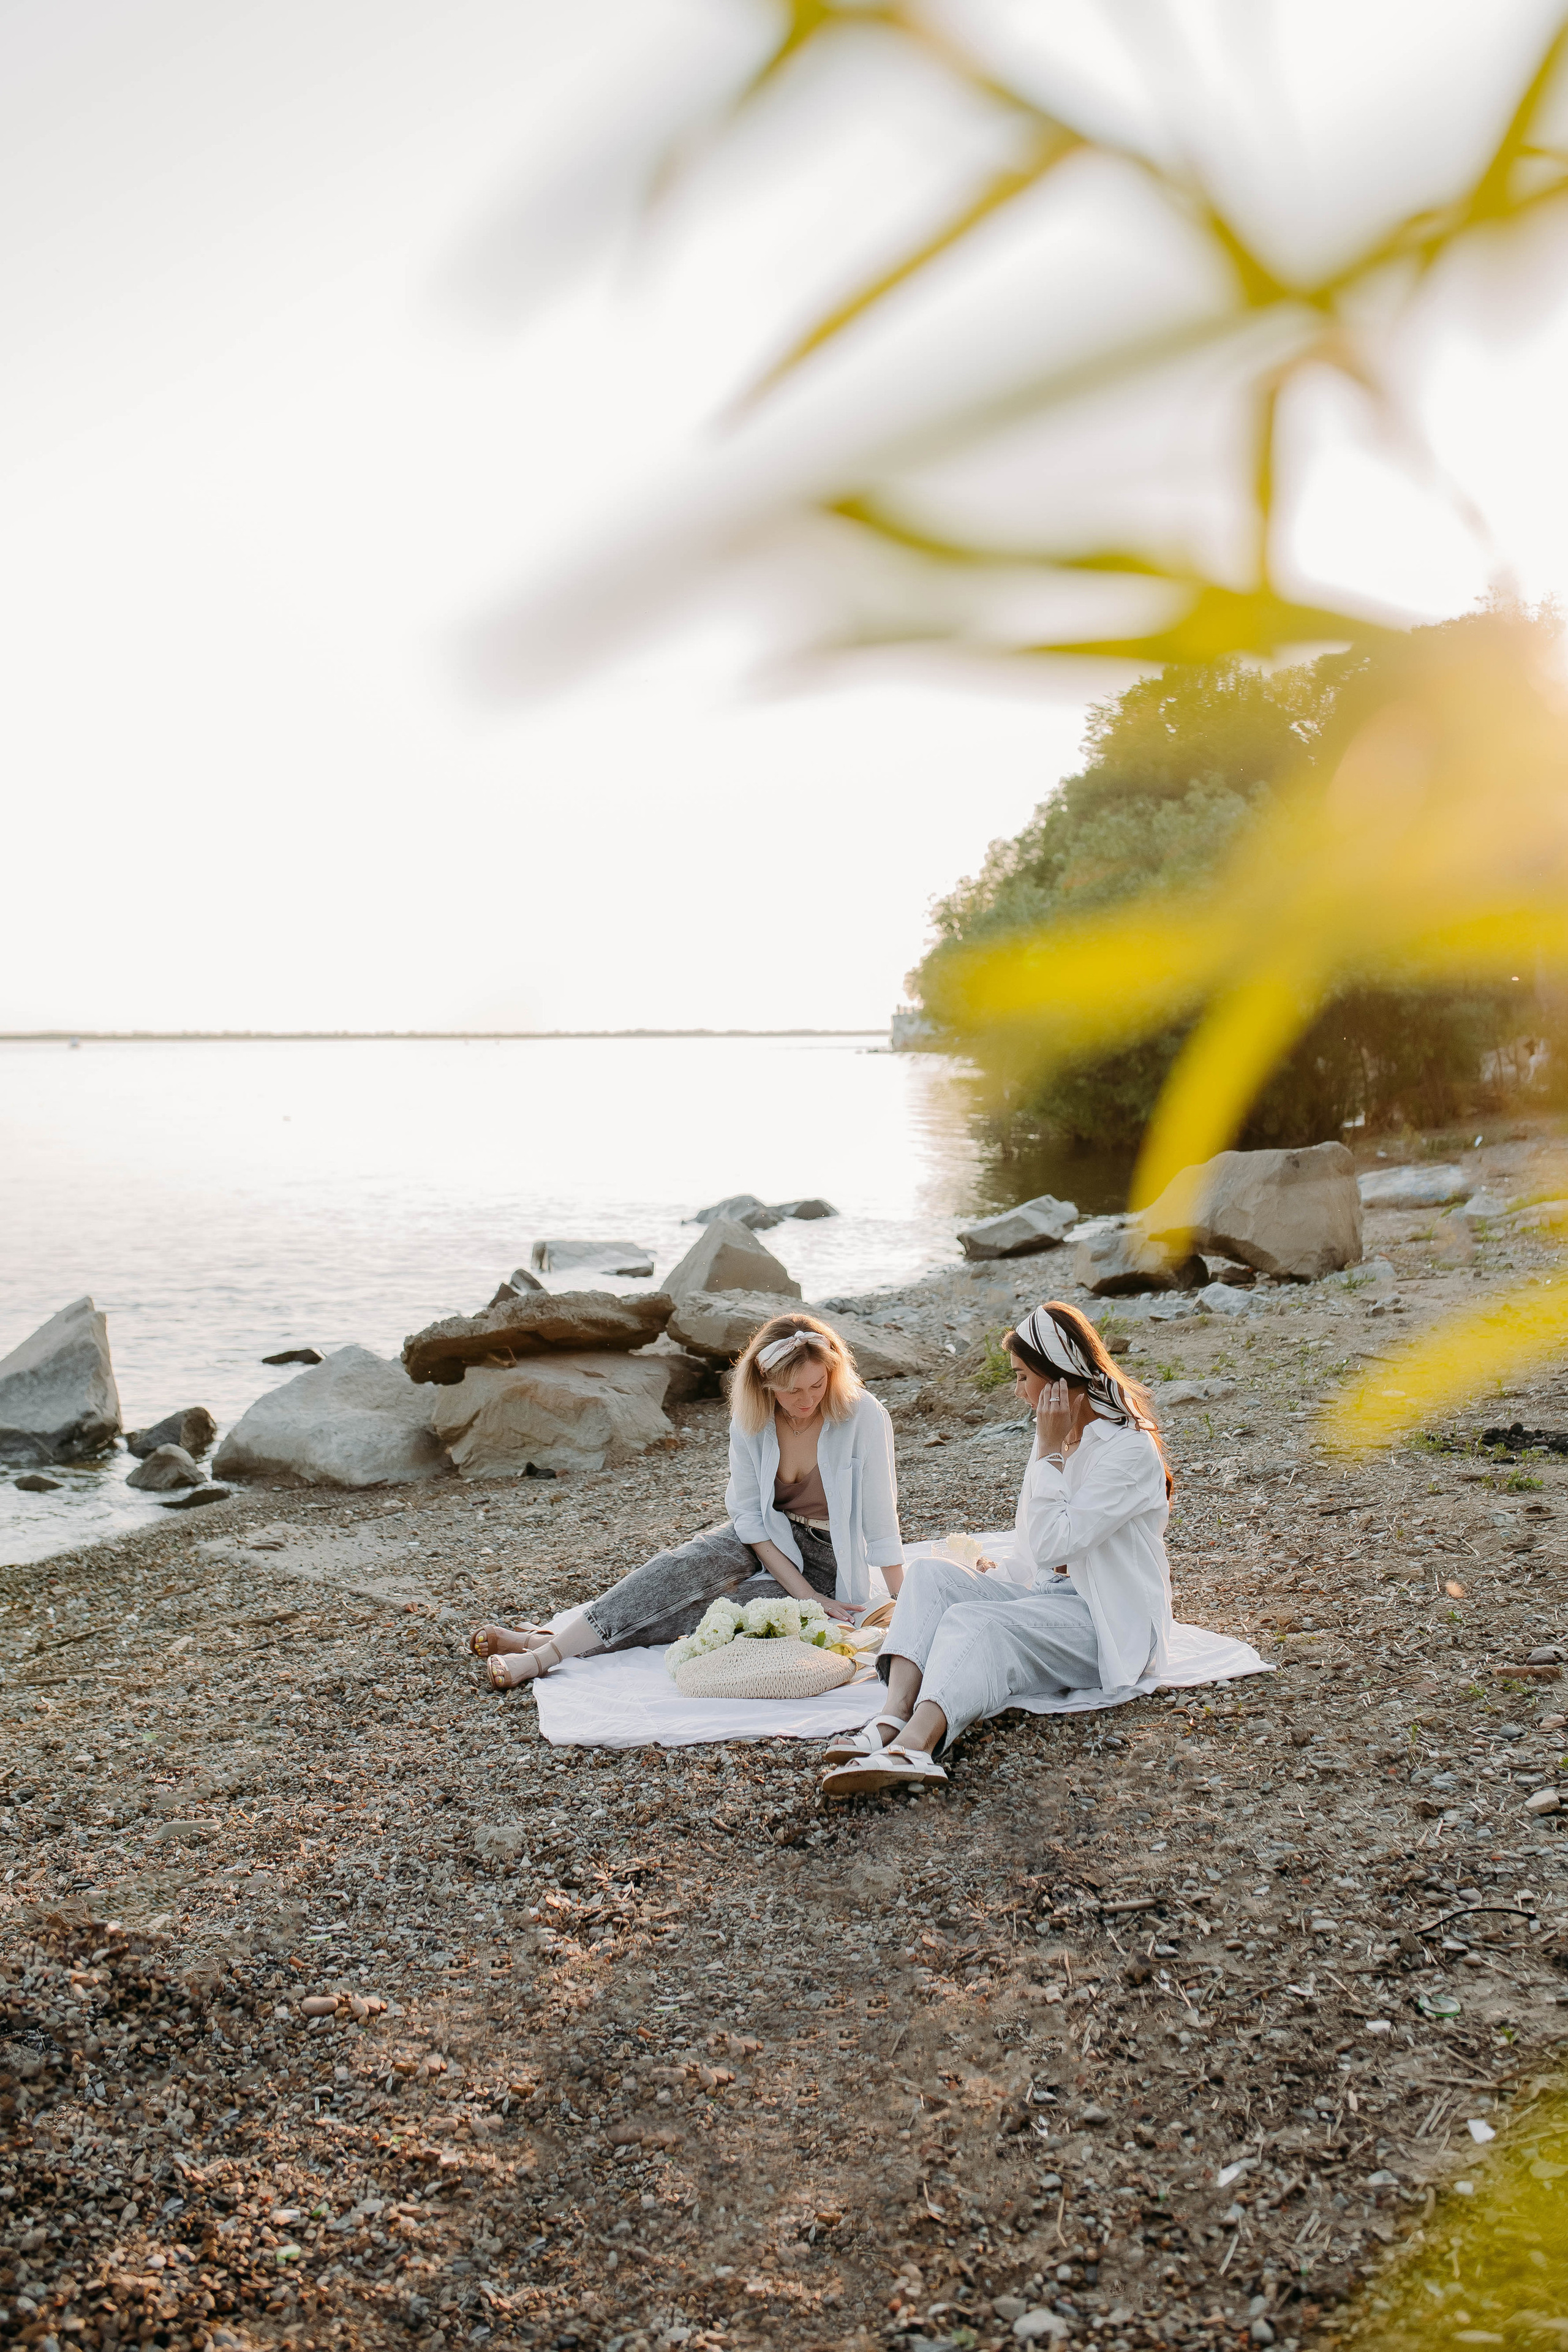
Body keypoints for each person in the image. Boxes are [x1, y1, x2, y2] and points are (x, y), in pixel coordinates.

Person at [820, 1299, 1174, 1792]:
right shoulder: (1061, 1435)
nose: (1018, 1392)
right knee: (928, 1575)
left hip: (1107, 1623)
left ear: (1058, 1379)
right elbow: (1034, 1545)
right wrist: (997, 1576)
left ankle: (917, 1749)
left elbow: (1055, 1544)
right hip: (1050, 1602)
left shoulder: (1128, 1450)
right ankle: (891, 1717)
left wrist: (1048, 1452)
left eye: (1023, 1377)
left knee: (977, 1622)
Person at [472, 1312, 904, 1687]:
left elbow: (882, 1520)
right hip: (764, 1535)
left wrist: (901, 1606)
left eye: (816, 1384)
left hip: (829, 1557)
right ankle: (542, 1659)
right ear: (765, 1382)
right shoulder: (752, 1419)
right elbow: (750, 1519)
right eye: (791, 1390)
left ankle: (544, 1641)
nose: (807, 1400)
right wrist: (803, 1593)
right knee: (677, 1570)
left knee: (720, 1613)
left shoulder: (862, 1414)